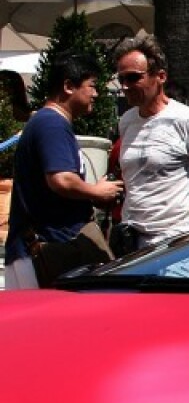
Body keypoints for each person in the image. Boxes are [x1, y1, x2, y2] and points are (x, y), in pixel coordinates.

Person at [4, 54, 123, 290]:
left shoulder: (48, 122)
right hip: (45, 253)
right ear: (68, 86)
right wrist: (96, 191)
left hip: (46, 251)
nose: (96, 94)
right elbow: (61, 180)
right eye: (92, 86)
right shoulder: (52, 124)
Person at [114, 35, 189, 250]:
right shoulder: (127, 121)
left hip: (175, 244)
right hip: (131, 244)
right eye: (122, 80)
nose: (126, 86)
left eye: (133, 78)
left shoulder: (186, 120)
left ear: (160, 76)